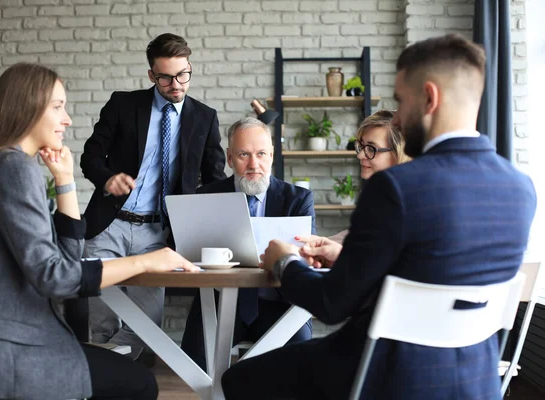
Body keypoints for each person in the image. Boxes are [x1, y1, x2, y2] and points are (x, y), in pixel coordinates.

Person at [221, 34, 537, 400]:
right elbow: (435, 271)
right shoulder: (520, 188)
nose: (399, 118)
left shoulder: (396, 187)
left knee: (239, 380)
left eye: (402, 102)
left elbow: (332, 304)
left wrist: (285, 263)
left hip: (387, 374)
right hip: (475, 380)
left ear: (430, 98)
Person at [0, 63, 199, 400]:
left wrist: (64, 181)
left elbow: (65, 262)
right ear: (27, 107)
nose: (67, 119)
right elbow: (56, 277)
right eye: (58, 107)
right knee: (139, 384)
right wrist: (146, 261)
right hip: (4, 353)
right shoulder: (13, 167)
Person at [80, 33, 226, 358]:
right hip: (110, 225)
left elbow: (214, 180)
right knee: (100, 317)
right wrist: (107, 179)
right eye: (166, 77)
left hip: (157, 234)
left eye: (183, 74)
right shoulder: (123, 104)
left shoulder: (204, 117)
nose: (176, 84)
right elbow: (90, 156)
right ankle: (102, 381)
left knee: (147, 322)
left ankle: (116, 371)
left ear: (189, 68)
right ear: (152, 75)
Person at [180, 117, 316, 371]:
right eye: (244, 155)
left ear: (272, 156)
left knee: (300, 365)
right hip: (221, 304)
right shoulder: (206, 197)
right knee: (194, 365)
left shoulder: (298, 200)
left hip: (280, 304)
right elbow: (191, 255)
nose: (254, 164)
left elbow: (306, 256)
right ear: (230, 159)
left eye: (261, 154)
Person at [308, 109, 410, 244]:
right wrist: (321, 242)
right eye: (361, 146)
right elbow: (359, 235)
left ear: (398, 153)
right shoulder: (382, 195)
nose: (360, 155)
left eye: (371, 148)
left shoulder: (406, 204)